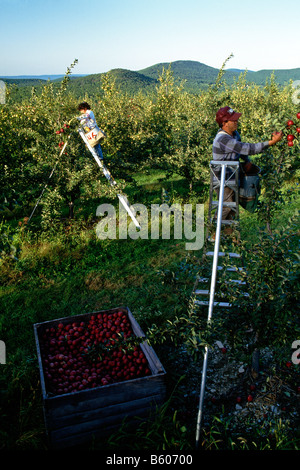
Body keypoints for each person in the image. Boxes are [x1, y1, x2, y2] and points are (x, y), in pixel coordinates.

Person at [212, 106, 283, 229]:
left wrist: (247, 161)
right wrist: (270, 143)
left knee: (233, 205)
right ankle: (214, 231)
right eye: (233, 120)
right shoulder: (222, 139)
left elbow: (240, 150)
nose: (236, 122)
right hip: (223, 178)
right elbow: (247, 148)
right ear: (224, 123)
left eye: (236, 119)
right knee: (227, 205)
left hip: (233, 174)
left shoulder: (234, 134)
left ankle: (229, 235)